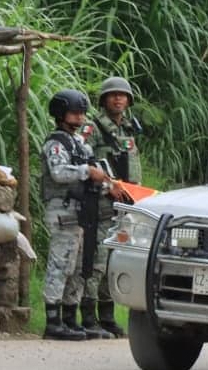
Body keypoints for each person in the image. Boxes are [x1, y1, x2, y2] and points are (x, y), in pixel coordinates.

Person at [40, 89, 114, 340]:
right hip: (63, 209)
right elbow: (59, 173)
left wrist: (107, 184)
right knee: (61, 264)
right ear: (61, 114)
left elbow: (97, 170)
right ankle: (53, 321)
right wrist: (86, 172)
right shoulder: (56, 143)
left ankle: (70, 317)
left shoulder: (80, 143)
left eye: (82, 112)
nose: (80, 117)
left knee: (81, 265)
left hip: (84, 211)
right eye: (74, 112)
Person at [78, 76, 141, 338]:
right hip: (101, 201)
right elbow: (84, 160)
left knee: (115, 258)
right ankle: (88, 317)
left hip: (126, 202)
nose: (118, 99)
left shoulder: (128, 129)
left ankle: (107, 317)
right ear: (104, 100)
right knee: (97, 259)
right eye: (113, 95)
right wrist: (107, 185)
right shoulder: (92, 128)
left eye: (122, 95)